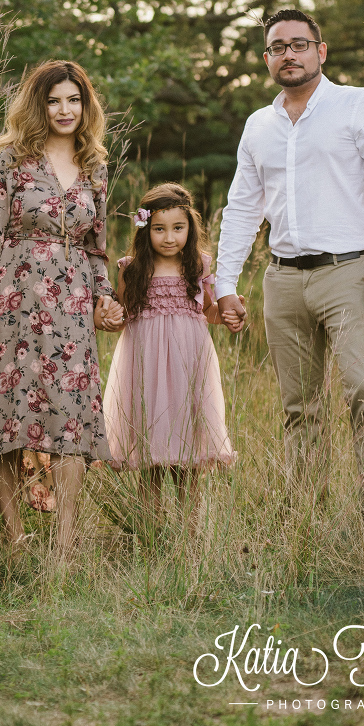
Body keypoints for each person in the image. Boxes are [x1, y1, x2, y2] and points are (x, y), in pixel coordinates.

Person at [216, 9, 364, 496]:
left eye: (299, 44)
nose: (289, 54)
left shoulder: (357, 105)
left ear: (320, 52)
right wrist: (224, 286)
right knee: (299, 407)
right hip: (282, 280)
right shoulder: (258, 125)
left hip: (349, 272)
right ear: (267, 60)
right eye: (278, 47)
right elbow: (241, 208)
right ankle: (306, 517)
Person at [0, 60, 124, 550]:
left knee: (73, 413)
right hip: (13, 300)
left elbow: (96, 247)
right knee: (6, 414)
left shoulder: (94, 165)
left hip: (72, 307)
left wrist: (105, 298)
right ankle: (15, 538)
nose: (64, 109)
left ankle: (66, 539)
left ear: (85, 105)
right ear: (39, 105)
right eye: (54, 100)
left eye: (74, 99)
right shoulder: (13, 159)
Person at [103, 183, 237, 532]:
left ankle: (190, 532)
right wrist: (107, 315)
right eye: (159, 229)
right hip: (146, 363)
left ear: (190, 227)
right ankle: (151, 529)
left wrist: (226, 315)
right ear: (145, 229)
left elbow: (206, 311)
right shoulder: (132, 269)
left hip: (188, 362)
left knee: (189, 449)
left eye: (178, 228)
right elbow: (123, 315)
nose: (168, 237)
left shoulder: (198, 266)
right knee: (151, 452)